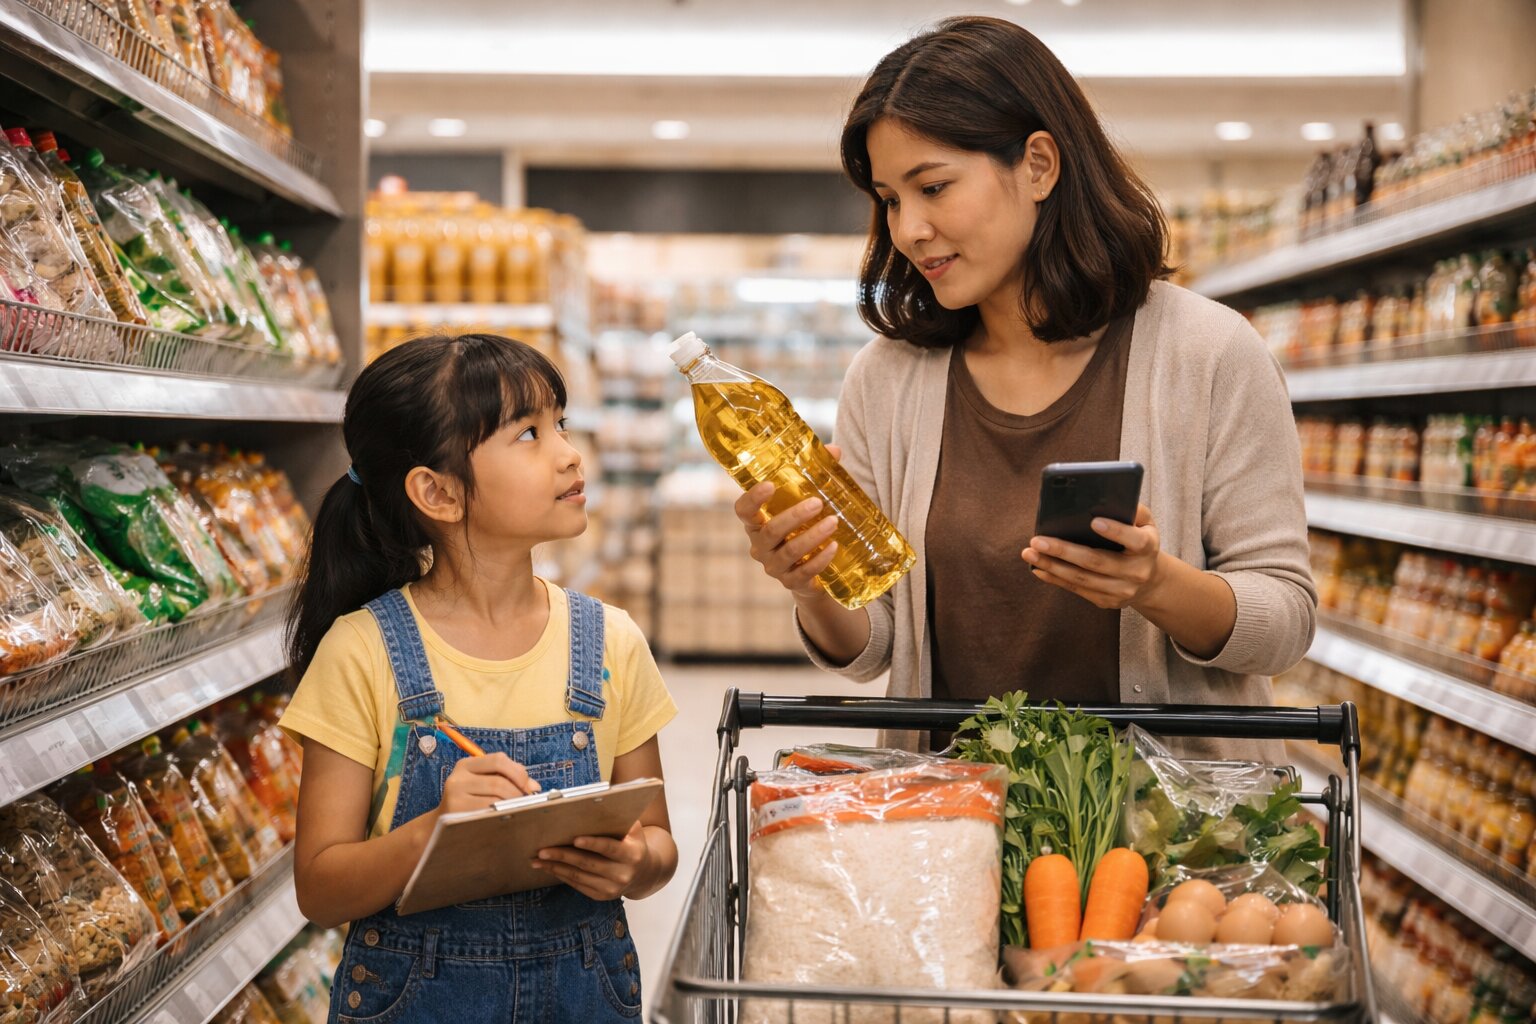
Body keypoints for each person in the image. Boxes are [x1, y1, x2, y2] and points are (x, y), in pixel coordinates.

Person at [733, 17, 1315, 757]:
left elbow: (1285, 619)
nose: (909, 230)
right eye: (890, 199)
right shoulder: (886, 380)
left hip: (1164, 823)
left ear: (1039, 165)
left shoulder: (1209, 353)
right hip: (945, 814)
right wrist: (812, 583)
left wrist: (1155, 585)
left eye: (933, 187)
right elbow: (875, 643)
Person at [282, 333, 678, 1021]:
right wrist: (433, 831)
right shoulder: (363, 652)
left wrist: (638, 863)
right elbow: (320, 889)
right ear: (437, 492)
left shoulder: (611, 641)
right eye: (528, 434)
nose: (569, 452)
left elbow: (659, 841)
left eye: (560, 422)